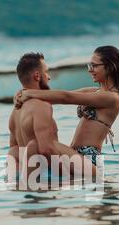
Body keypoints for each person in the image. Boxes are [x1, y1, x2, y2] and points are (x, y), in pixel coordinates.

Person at [15, 46, 119, 166]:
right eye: (89, 65)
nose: (90, 70)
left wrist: (28, 93)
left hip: (89, 157)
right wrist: (21, 95)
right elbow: (58, 96)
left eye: (94, 66)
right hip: (75, 153)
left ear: (110, 67)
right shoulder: (95, 91)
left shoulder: (112, 98)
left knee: (46, 145)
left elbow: (66, 97)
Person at [8, 52, 97, 181]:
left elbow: (14, 151)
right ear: (37, 76)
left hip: (34, 174)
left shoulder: (15, 111)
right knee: (97, 175)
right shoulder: (41, 106)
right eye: (46, 72)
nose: (49, 77)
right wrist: (67, 179)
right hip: (51, 173)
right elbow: (46, 149)